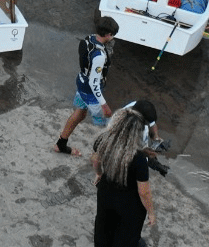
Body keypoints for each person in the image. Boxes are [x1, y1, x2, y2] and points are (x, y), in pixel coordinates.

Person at [92, 105, 158, 247]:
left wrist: (99, 173)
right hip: (129, 204)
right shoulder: (138, 159)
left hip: (106, 193)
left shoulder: (103, 141)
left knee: (103, 226)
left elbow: (95, 160)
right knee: (127, 236)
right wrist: (151, 213)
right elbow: (144, 192)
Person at [58, 16, 119, 155]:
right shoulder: (99, 56)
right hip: (90, 91)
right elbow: (94, 83)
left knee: (80, 113)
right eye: (113, 35)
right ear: (108, 34)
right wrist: (104, 105)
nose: (113, 37)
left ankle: (61, 144)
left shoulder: (88, 38)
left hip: (81, 81)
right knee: (105, 123)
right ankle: (102, 155)